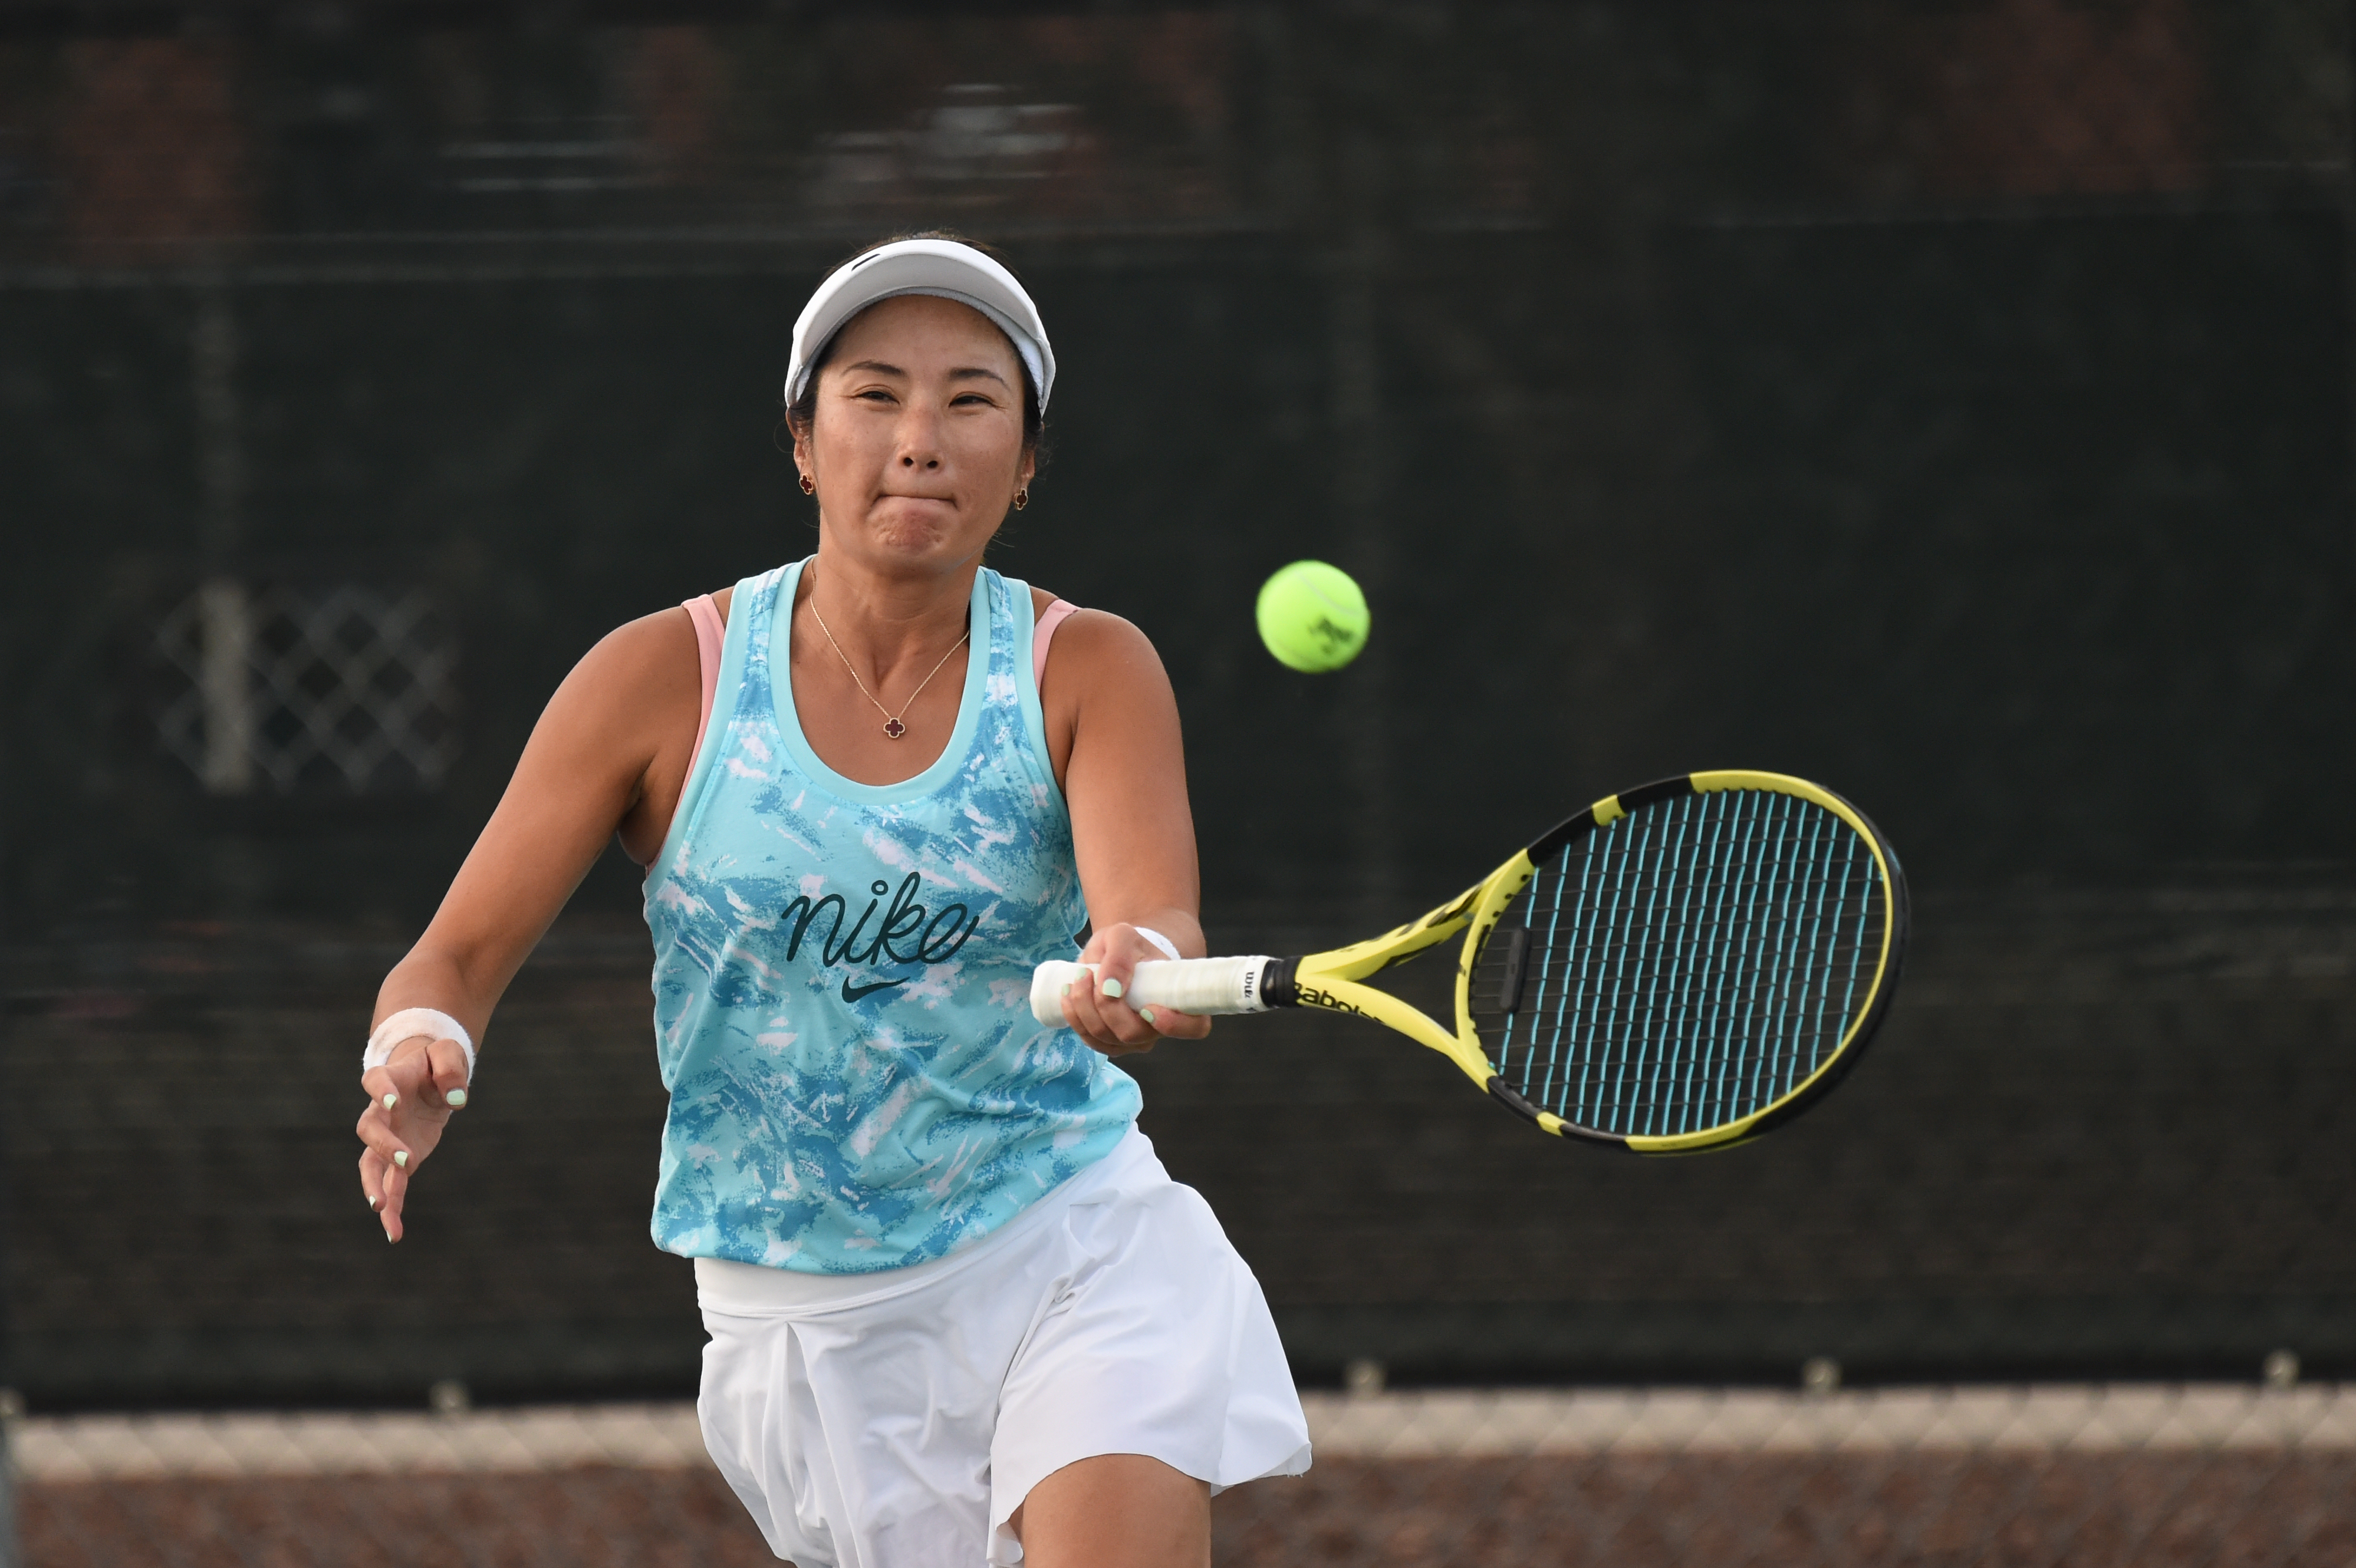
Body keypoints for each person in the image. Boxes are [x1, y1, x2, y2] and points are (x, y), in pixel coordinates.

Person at [350, 233, 1310, 1567]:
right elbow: (451, 956)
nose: (921, 438)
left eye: (974, 401)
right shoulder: (657, 679)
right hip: (799, 1319)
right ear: (804, 441)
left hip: (1071, 1235)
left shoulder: (1086, 665)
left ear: (1026, 465)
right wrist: (422, 1050)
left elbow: (1154, 916)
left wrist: (1134, 964)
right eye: (875, 394)